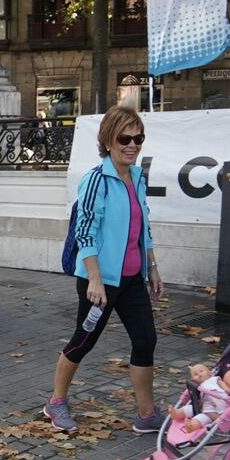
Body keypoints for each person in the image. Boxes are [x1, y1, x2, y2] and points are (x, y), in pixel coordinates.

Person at [44, 105, 164, 434]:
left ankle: (147, 414)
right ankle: (56, 402)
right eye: (125, 138)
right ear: (109, 140)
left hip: (133, 279)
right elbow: (85, 232)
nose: (132, 145)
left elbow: (144, 226)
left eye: (138, 138)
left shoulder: (137, 177)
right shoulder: (96, 180)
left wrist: (152, 266)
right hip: (101, 282)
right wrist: (94, 279)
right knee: (84, 340)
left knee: (145, 341)